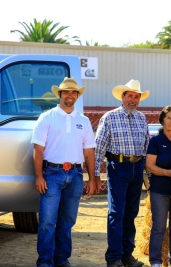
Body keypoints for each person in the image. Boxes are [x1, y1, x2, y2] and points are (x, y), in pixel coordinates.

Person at [32, 77, 100, 267]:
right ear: (60, 94)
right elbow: (37, 150)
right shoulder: (47, 117)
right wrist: (39, 176)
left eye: (74, 92)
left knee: (67, 221)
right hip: (52, 173)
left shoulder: (83, 121)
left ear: (77, 96)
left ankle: (62, 260)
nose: (70, 95)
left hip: (76, 175)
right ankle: (45, 262)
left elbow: (89, 152)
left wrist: (92, 178)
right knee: (47, 221)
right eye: (67, 92)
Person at [95, 79, 150, 267]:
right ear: (123, 97)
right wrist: (95, 175)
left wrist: (147, 176)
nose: (133, 99)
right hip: (117, 167)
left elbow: (146, 148)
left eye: (137, 96)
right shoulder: (109, 117)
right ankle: (113, 258)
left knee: (131, 213)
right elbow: (98, 149)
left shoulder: (142, 118)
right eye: (130, 96)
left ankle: (127, 255)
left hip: (137, 167)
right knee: (116, 212)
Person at [146, 105, 171, 267]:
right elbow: (150, 166)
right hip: (159, 190)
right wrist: (168, 173)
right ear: (162, 121)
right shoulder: (156, 141)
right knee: (159, 227)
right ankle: (155, 260)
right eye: (168, 118)